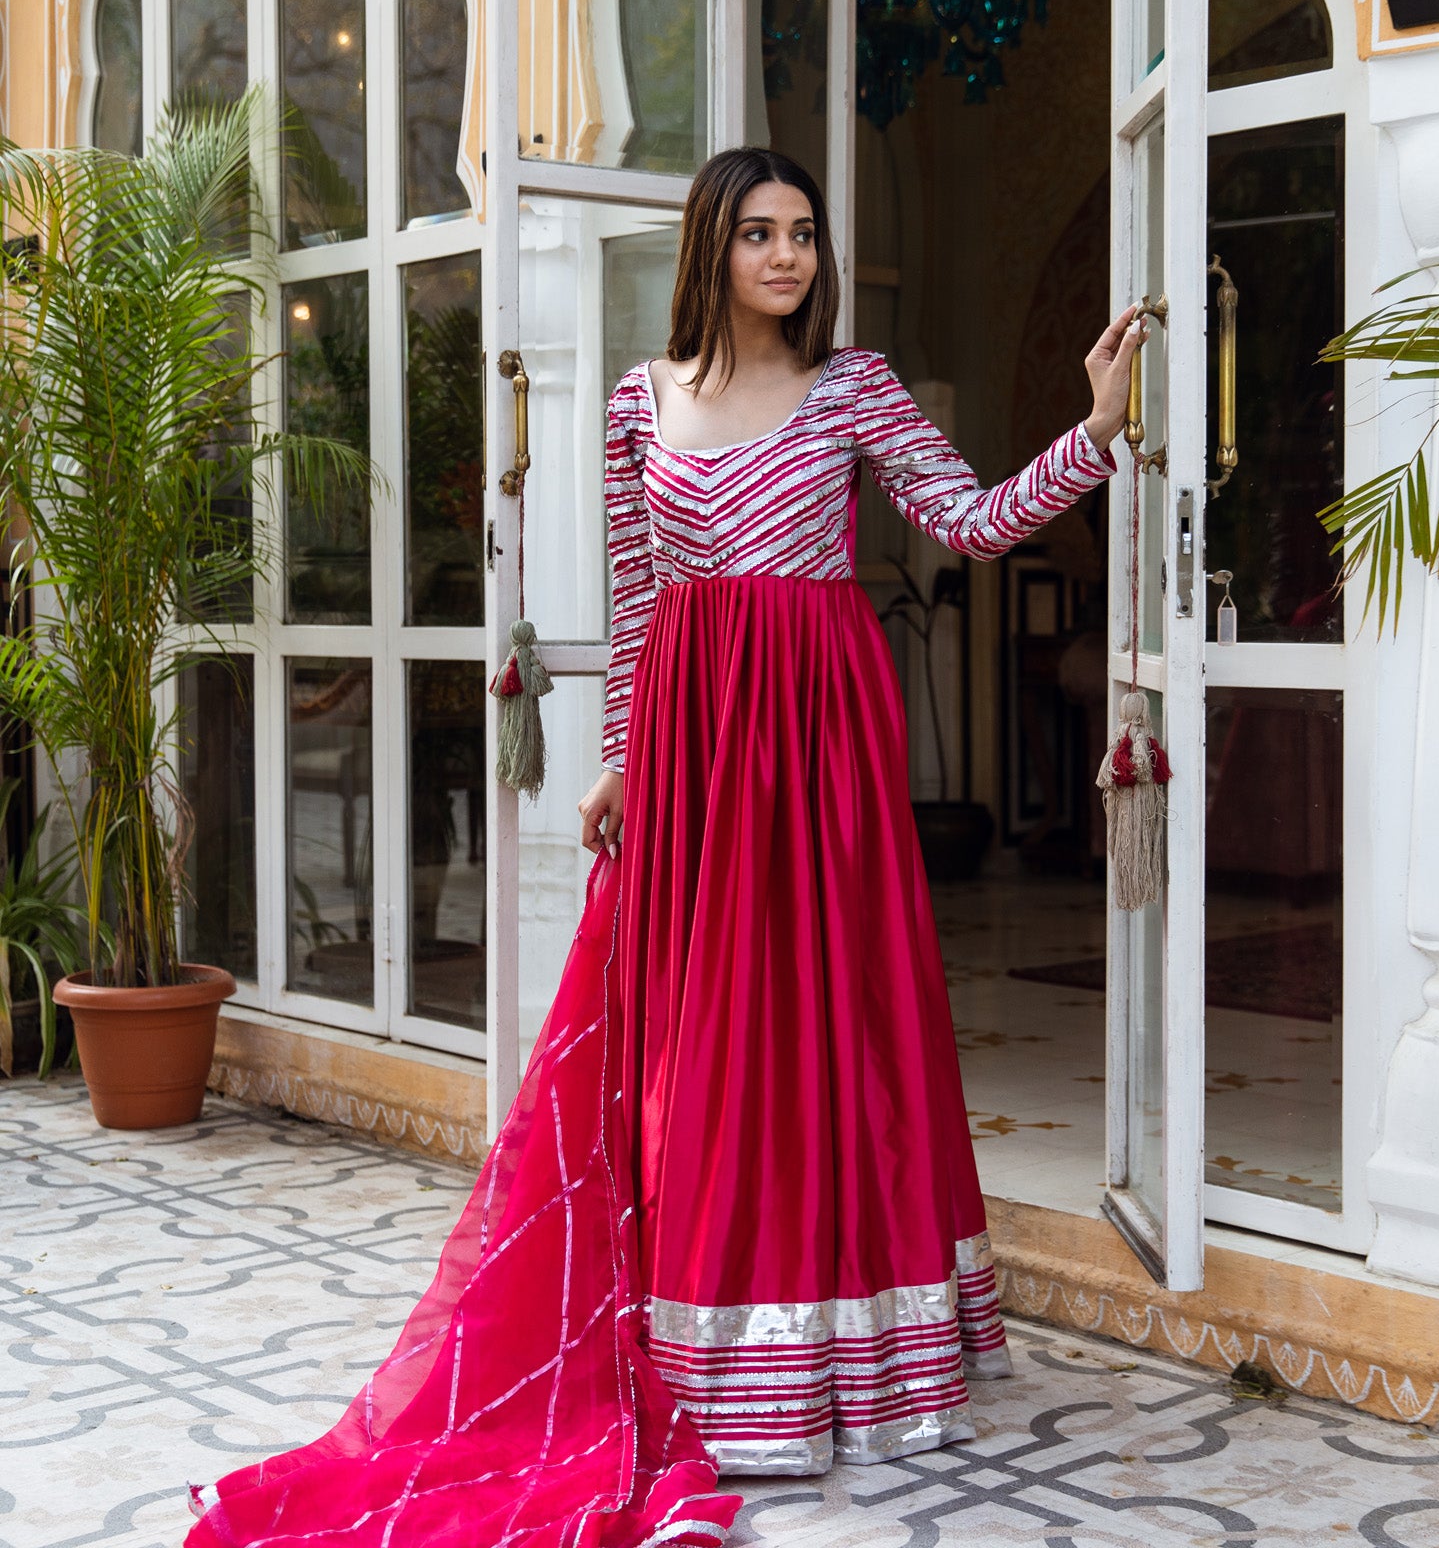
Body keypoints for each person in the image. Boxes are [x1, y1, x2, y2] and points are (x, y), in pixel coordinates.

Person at [184, 147, 1142, 1548]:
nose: (786, 258)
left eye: (802, 234)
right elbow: (636, 596)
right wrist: (619, 759)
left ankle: (849, 1353)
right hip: (695, 752)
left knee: (829, 1021)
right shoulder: (640, 400)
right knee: (699, 1038)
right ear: (712, 247)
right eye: (758, 234)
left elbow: (973, 524)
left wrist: (1099, 428)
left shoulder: (856, 387)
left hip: (820, 742)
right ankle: (710, 1338)